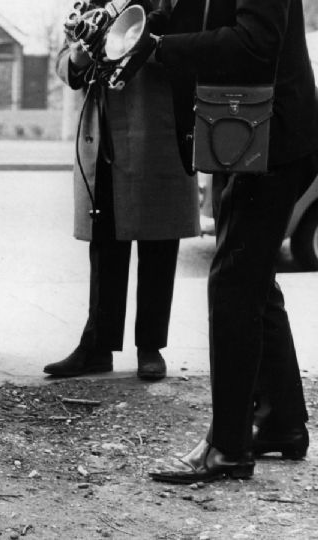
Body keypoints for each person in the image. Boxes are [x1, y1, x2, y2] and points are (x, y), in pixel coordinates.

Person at [148, 0, 318, 484]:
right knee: (252, 281)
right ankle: (282, 422)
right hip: (259, 135)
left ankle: (228, 447)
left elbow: (255, 42)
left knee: (233, 287)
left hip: (272, 139)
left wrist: (160, 48)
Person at [43, 0, 199, 381]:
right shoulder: (93, 2)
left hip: (156, 126)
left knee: (159, 240)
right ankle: (97, 345)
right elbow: (64, 61)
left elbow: (194, 47)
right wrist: (78, 56)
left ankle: (150, 346)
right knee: (105, 239)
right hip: (104, 132)